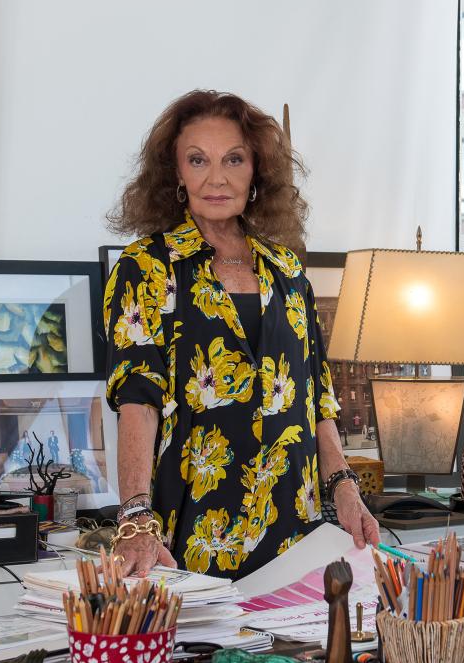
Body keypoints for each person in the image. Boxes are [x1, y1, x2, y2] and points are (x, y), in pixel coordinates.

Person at [104, 90, 380, 579]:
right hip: (187, 538)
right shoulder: (145, 268)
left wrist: (344, 485)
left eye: (234, 158)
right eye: (198, 160)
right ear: (175, 174)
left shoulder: (288, 270)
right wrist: (134, 515)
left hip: (297, 539)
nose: (217, 177)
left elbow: (317, 397)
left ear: (257, 171)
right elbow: (137, 401)